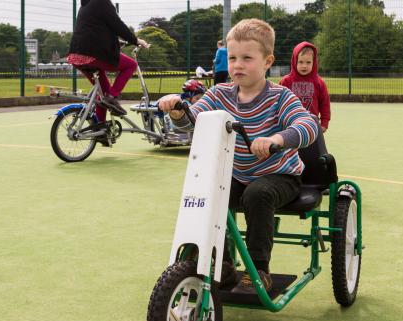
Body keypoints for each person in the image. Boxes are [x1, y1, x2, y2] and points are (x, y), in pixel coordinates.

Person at [158, 19, 318, 293]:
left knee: (257, 194)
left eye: (247, 58)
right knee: (209, 195)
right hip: (236, 174)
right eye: (232, 58)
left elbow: (308, 126)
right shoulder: (219, 94)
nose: (237, 65)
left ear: (268, 62)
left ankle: (258, 270)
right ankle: (223, 264)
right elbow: (194, 121)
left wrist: (276, 139)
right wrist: (177, 110)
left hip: (279, 175)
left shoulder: (281, 97)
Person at [67, 0, 149, 123]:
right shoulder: (102, 2)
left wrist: (115, 42)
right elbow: (117, 25)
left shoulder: (85, 5)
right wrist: (136, 40)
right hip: (92, 54)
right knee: (131, 65)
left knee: (102, 93)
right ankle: (112, 97)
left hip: (76, 55)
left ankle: (100, 129)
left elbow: (95, 30)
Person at [279, 42, 331, 132]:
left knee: (316, 146)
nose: (304, 66)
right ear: (295, 61)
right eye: (301, 62)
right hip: (290, 126)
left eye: (308, 62)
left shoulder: (319, 82)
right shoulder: (286, 81)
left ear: (314, 63)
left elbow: (325, 104)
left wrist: (324, 123)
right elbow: (278, 103)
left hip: (312, 126)